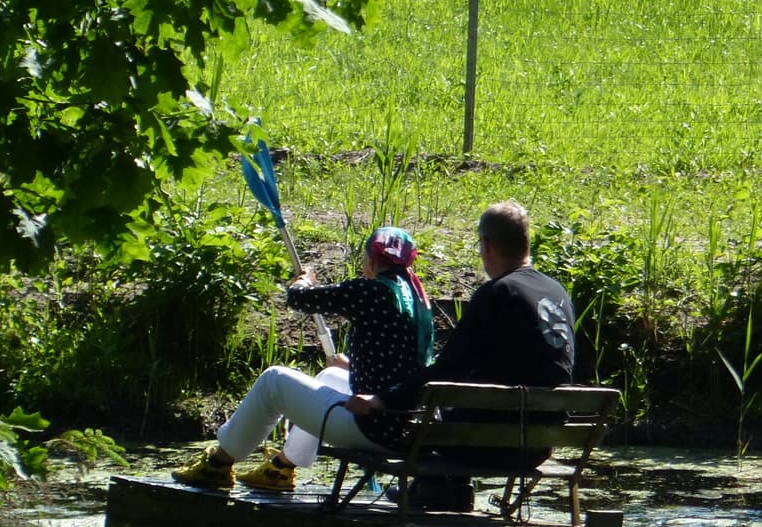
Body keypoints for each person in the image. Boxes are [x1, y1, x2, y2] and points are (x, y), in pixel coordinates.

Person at [345, 200, 576, 508]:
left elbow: (447, 369)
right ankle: (443, 489)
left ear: (487, 245)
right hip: (540, 444)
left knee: (434, 417)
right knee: (463, 406)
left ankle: (437, 488)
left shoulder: (497, 293)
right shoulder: (556, 292)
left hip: (491, 443)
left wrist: (383, 399)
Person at [171, 226, 434, 491]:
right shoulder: (418, 299)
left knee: (274, 380)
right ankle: (281, 468)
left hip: (372, 426)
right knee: (330, 377)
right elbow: (402, 365)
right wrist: (353, 366)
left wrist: (304, 280)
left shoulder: (373, 291)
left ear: (372, 261)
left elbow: (299, 299)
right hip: (403, 425)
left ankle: (217, 464)